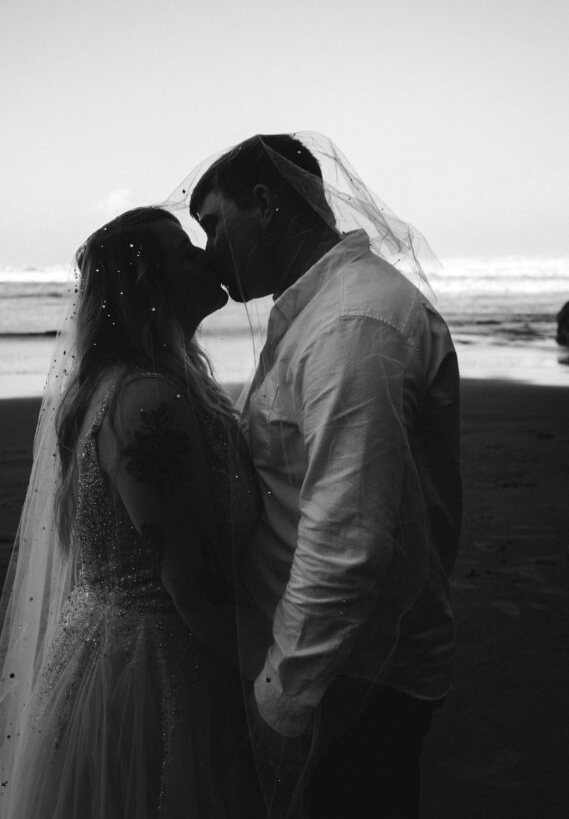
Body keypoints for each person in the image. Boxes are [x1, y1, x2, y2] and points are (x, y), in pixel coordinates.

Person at [0, 207, 268, 819]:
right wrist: (284, 678)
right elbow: (191, 585)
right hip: (155, 675)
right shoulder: (150, 400)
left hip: (112, 650)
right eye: (186, 252)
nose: (207, 258)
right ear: (149, 288)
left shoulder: (129, 385)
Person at [189, 133, 463, 818]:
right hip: (332, 664)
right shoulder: (319, 311)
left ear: (265, 203)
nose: (208, 251)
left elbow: (347, 535)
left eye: (214, 223)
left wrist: (286, 701)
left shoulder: (353, 324)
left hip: (355, 679)